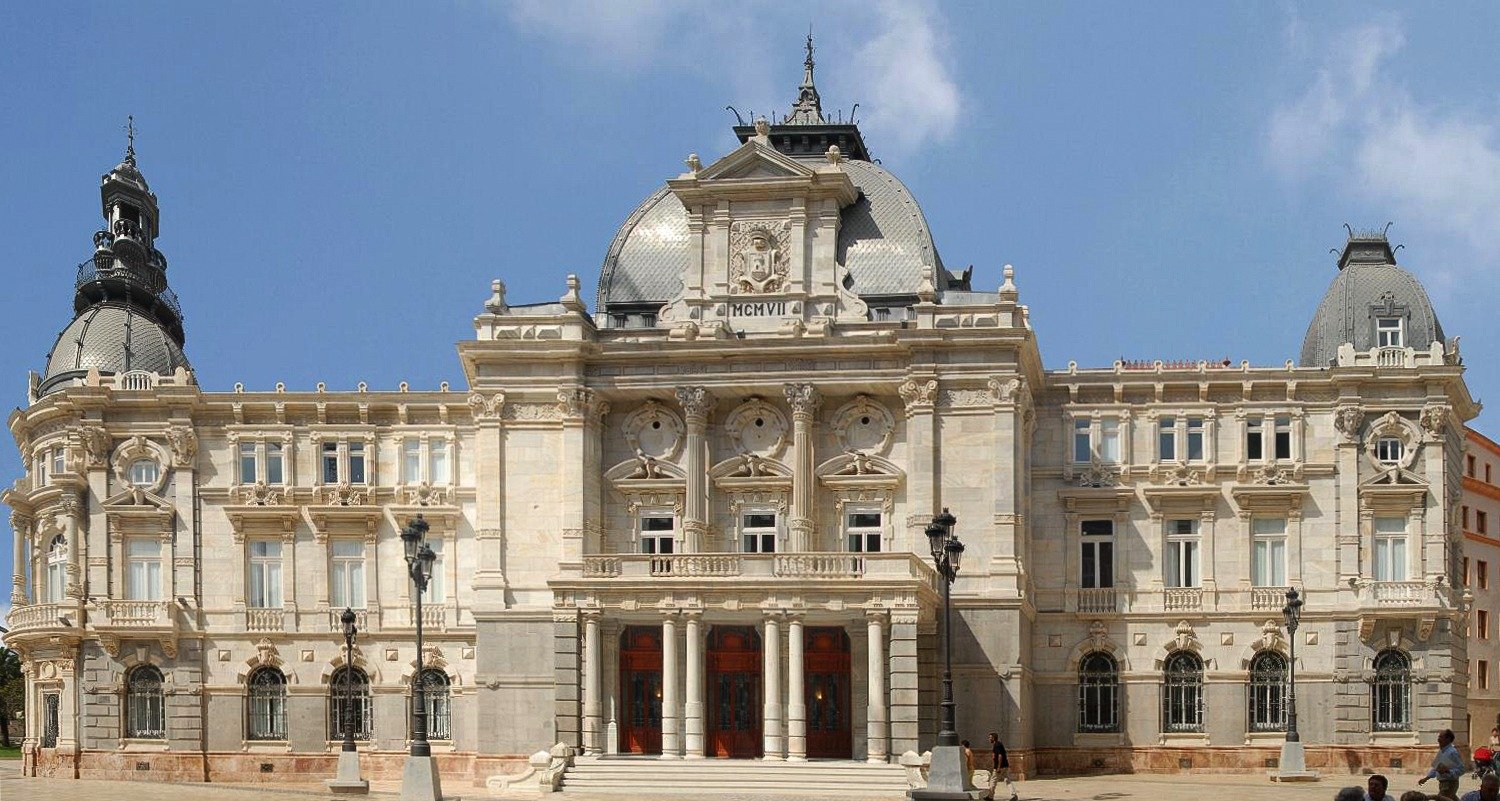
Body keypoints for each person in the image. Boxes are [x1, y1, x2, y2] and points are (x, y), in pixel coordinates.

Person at [1421, 729, 1467, 800]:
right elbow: (1436, 767)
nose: (1438, 740)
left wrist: (1448, 771)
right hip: (1442, 783)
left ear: (1448, 739)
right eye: (1438, 737)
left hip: (1449, 783)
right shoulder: (1441, 752)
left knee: (1442, 799)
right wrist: (1426, 778)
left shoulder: (1452, 752)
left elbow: (1462, 769)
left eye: (1441, 737)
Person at [985, 731, 1019, 801]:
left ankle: (990, 796)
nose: (989, 739)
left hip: (1000, 767)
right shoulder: (999, 744)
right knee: (1007, 780)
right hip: (1005, 766)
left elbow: (1000, 756)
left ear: (993, 738)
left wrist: (998, 767)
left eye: (990, 737)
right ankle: (1014, 795)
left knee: (993, 781)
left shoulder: (997, 745)